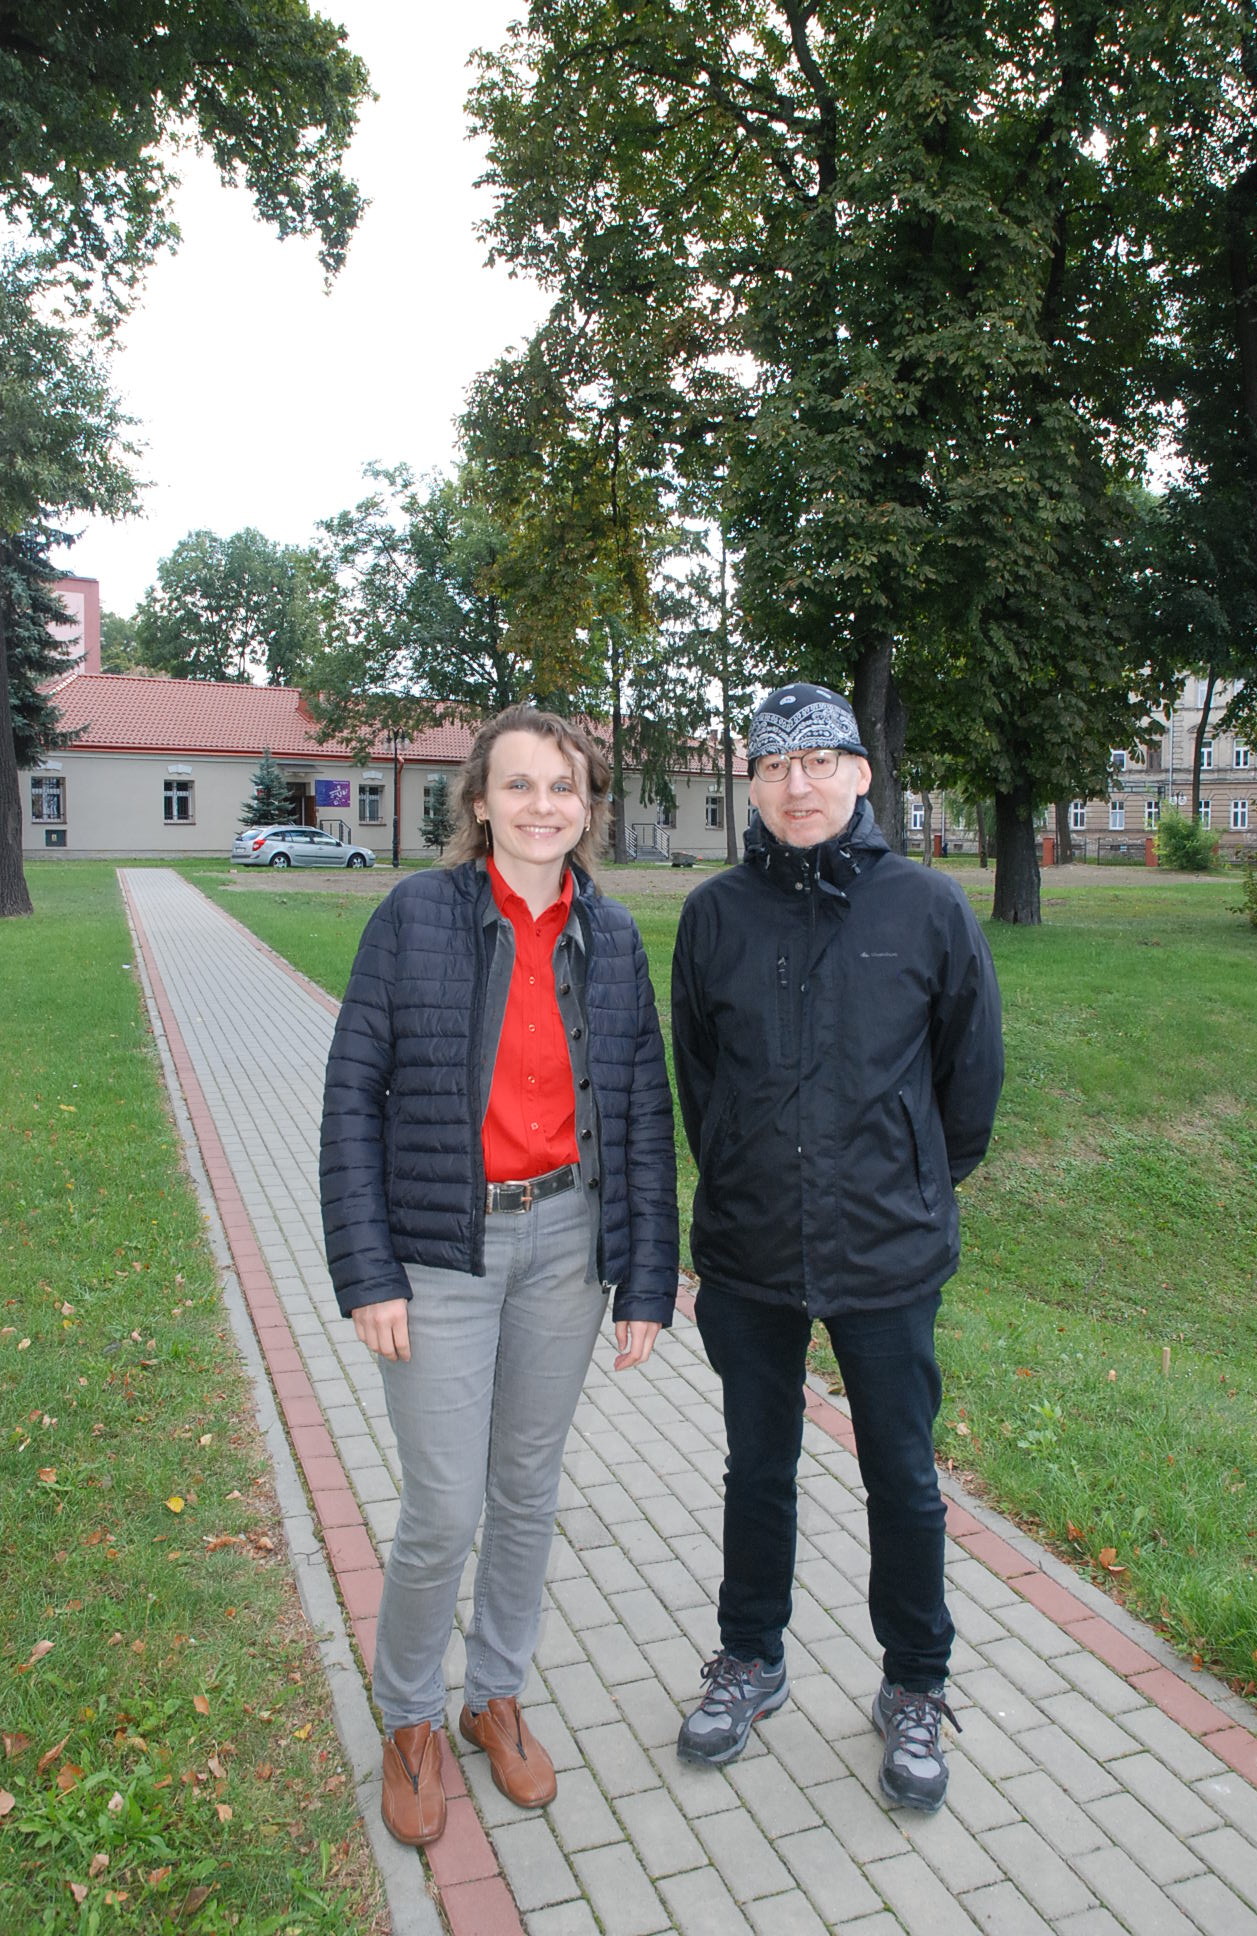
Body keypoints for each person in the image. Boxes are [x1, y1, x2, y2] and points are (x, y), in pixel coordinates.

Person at [320, 704, 677, 1847]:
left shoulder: (611, 936)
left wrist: (647, 1279)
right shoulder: (415, 916)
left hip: (566, 1244)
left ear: (588, 807)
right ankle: (409, 1716)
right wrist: (368, 1270)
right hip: (441, 1251)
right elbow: (350, 1096)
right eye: (518, 784)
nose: (541, 806)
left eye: (563, 786)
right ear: (478, 801)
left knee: (527, 1488)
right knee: (444, 1505)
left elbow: (643, 1110)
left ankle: (495, 1696)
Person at [671, 682, 1003, 1812]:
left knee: (901, 1474)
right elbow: (699, 1079)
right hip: (751, 1249)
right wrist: (742, 1163)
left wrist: (911, 1176)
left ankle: (915, 1682)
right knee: (757, 1467)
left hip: (886, 1250)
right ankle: (749, 1658)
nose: (796, 785)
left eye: (819, 762)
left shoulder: (928, 907)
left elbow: (969, 1080)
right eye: (773, 767)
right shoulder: (714, 915)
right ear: (753, 786)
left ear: (862, 774)